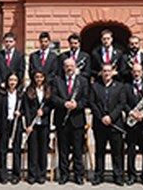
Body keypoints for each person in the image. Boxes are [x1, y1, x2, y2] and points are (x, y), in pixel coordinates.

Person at [52, 57, 88, 185]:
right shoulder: (57, 81)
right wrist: (64, 103)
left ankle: (78, 175)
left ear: (75, 67)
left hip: (77, 120)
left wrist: (77, 105)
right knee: (63, 149)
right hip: (62, 120)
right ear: (63, 68)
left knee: (78, 150)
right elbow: (53, 97)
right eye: (67, 66)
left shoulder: (82, 81)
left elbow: (86, 99)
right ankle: (64, 174)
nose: (69, 68)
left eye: (71, 66)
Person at [90, 62, 127, 185]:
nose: (106, 73)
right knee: (99, 151)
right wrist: (102, 117)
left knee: (117, 151)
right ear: (101, 73)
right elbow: (92, 104)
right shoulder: (95, 86)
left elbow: (121, 104)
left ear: (113, 72)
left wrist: (111, 117)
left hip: (115, 123)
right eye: (104, 71)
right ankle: (98, 175)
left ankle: (118, 175)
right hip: (100, 123)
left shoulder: (120, 86)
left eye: (108, 71)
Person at [125, 63, 143, 186]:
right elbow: (123, 102)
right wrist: (130, 112)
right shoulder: (126, 87)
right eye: (134, 71)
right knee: (131, 150)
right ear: (132, 72)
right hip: (131, 122)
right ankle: (131, 174)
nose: (136, 73)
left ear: (142, 72)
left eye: (138, 71)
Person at [23, 70, 51, 184]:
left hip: (43, 123)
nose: (39, 79)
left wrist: (43, 111)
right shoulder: (29, 90)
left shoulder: (48, 91)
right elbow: (27, 109)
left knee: (42, 149)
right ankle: (32, 174)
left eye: (41, 77)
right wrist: (29, 124)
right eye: (37, 77)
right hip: (33, 125)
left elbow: (50, 106)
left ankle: (41, 174)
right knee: (32, 149)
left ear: (44, 78)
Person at [0, 72, 24, 184]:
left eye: (14, 80)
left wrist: (20, 112)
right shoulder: (2, 95)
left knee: (16, 150)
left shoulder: (21, 95)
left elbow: (26, 109)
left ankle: (16, 175)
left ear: (17, 82)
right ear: (7, 82)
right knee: (2, 151)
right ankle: (3, 175)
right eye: (10, 80)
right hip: (5, 124)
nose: (12, 82)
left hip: (16, 124)